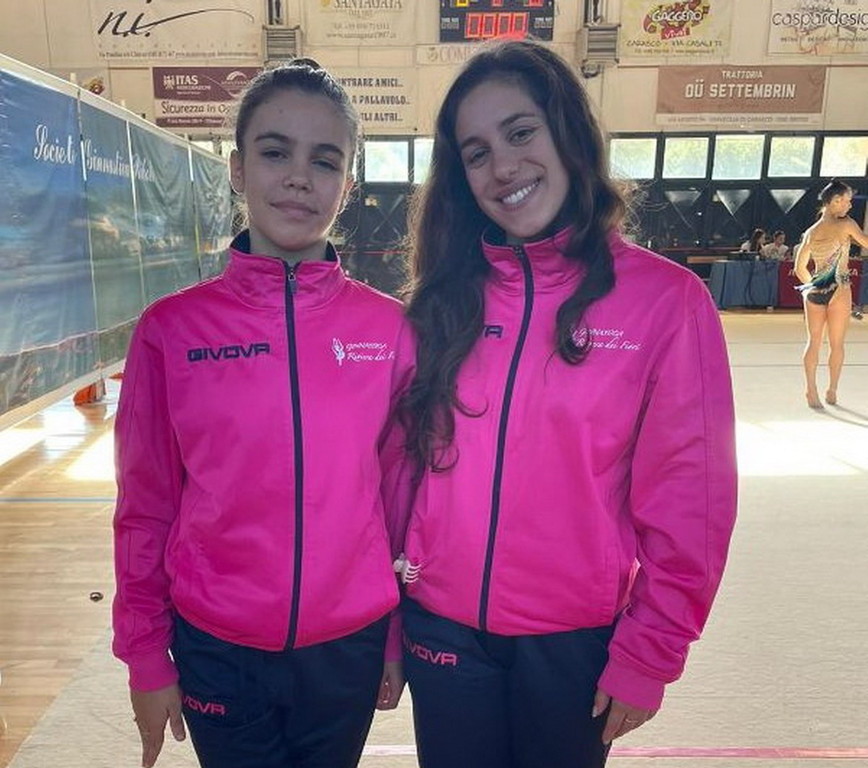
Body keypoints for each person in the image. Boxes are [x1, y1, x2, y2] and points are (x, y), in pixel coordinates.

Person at [396, 40, 737, 768]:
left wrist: (652, 649)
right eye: (477, 153)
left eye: (521, 132)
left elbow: (691, 501)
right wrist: (391, 620)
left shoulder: (666, 303)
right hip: (442, 631)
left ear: (568, 132)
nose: (503, 167)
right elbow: (402, 478)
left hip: (574, 644)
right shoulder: (443, 299)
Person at [112, 60, 414, 768]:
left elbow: (401, 500)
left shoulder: (392, 330)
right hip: (218, 645)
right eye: (276, 152)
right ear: (238, 168)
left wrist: (395, 634)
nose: (300, 178)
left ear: (349, 183)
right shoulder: (171, 330)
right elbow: (145, 506)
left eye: (325, 160)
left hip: (349, 645)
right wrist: (145, 655)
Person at [794, 179, 868, 407]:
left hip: (816, 288)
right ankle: (832, 390)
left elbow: (799, 268)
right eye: (846, 200)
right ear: (834, 201)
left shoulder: (811, 232)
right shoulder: (846, 224)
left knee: (813, 341)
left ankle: (811, 390)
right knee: (837, 343)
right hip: (839, 288)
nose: (849, 205)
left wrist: (812, 286)